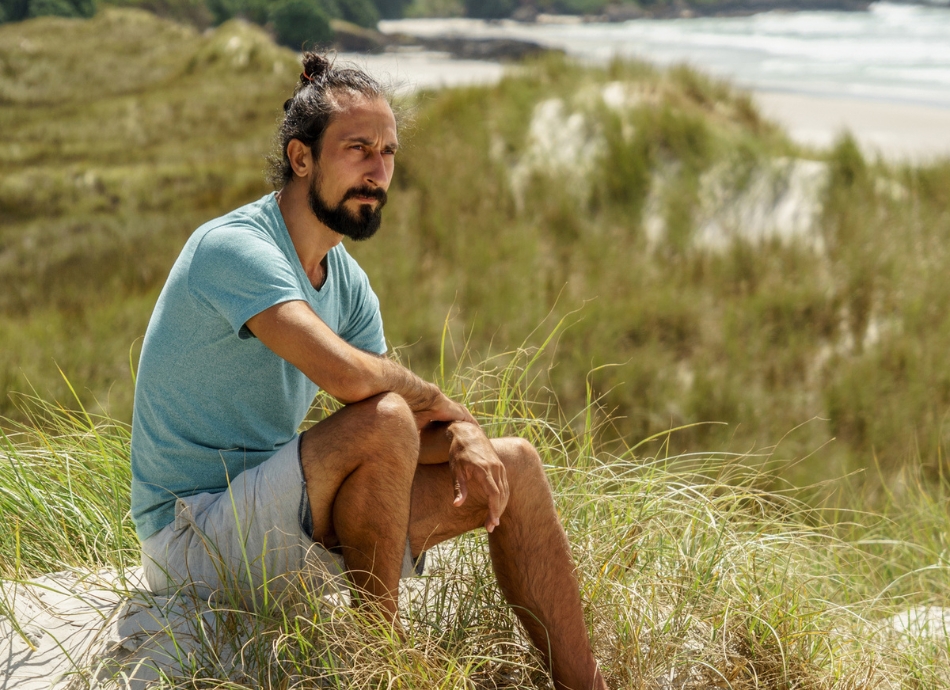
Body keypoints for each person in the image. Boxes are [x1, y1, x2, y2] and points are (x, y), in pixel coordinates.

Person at [130, 51, 607, 690]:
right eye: (358, 149)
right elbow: (358, 384)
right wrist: (444, 403)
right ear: (303, 158)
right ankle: (380, 663)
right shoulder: (235, 248)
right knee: (380, 418)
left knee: (513, 462)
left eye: (387, 153)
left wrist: (463, 432)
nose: (378, 171)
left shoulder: (347, 282)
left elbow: (407, 420)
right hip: (195, 539)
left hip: (282, 520)